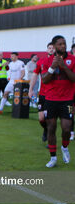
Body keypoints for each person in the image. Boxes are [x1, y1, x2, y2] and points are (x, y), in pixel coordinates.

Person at [42, 35, 75, 168]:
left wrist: (64, 67)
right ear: (54, 46)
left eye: (64, 44)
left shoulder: (72, 60)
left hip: (67, 99)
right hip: (50, 99)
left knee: (67, 128)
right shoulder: (47, 60)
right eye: (60, 44)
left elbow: (74, 79)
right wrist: (53, 67)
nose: (63, 46)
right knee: (51, 128)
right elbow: (44, 79)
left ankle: (65, 148)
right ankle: (53, 158)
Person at [29, 43, 55, 143]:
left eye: (53, 48)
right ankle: (46, 129)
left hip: (53, 95)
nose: (51, 49)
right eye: (49, 48)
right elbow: (35, 75)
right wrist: (31, 89)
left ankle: (50, 139)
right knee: (41, 118)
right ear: (47, 50)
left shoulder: (58, 61)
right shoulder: (41, 61)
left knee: (50, 118)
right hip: (43, 94)